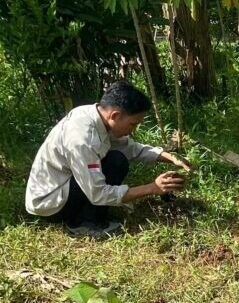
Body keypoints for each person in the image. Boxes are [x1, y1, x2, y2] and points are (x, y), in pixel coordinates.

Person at [24, 82, 190, 239]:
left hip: (64, 185)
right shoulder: (83, 139)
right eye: (133, 124)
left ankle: (88, 215)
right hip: (51, 205)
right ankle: (85, 224)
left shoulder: (97, 116)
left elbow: (131, 148)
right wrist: (152, 188)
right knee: (115, 162)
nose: (133, 130)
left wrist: (171, 158)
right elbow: (98, 193)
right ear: (115, 115)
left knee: (116, 160)